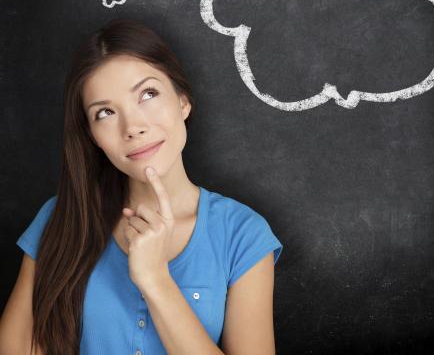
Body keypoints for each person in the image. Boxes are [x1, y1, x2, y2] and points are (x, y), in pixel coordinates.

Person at [0, 18, 283, 354]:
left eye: (148, 94)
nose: (132, 127)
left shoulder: (243, 234)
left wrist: (156, 280)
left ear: (183, 101)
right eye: (105, 112)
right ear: (92, 137)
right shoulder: (59, 219)